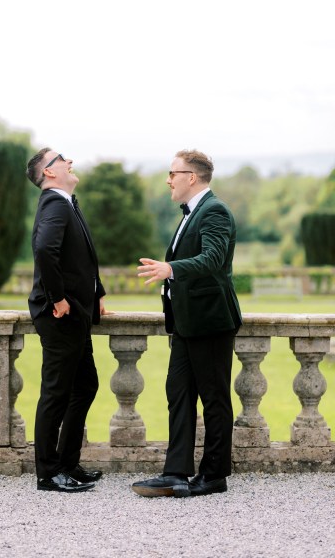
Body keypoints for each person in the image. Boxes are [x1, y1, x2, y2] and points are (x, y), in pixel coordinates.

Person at [132, 149, 242, 498]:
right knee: (178, 396)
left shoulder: (215, 211)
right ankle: (176, 472)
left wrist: (171, 269)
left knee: (214, 400)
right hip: (185, 324)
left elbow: (212, 259)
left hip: (210, 322)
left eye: (173, 173)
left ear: (191, 177)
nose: (168, 179)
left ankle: (213, 476)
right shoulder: (191, 214)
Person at [26, 147, 109, 493]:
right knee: (56, 394)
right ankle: (48, 473)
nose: (70, 161)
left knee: (85, 385)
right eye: (61, 158)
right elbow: (45, 250)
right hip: (61, 315)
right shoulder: (55, 203)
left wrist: (97, 292)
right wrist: (58, 297)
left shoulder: (67, 203)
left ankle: (68, 463)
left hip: (75, 313)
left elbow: (82, 256)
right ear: (49, 172)